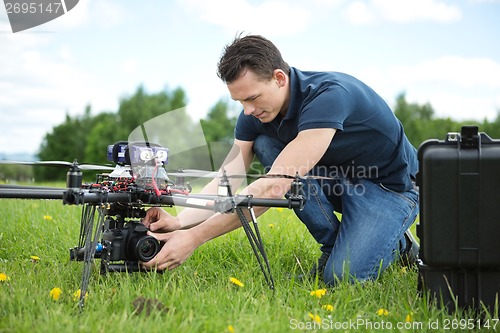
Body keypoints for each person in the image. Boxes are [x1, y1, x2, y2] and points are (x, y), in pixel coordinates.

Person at [141, 34, 419, 285]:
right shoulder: (255, 115)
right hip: (335, 178)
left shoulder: (330, 96)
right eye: (239, 102)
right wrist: (180, 223)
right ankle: (334, 245)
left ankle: (398, 245)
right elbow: (227, 180)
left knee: (342, 279)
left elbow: (273, 188)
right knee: (266, 145)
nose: (247, 111)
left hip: (390, 189)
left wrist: (193, 238)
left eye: (252, 98)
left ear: (279, 78)